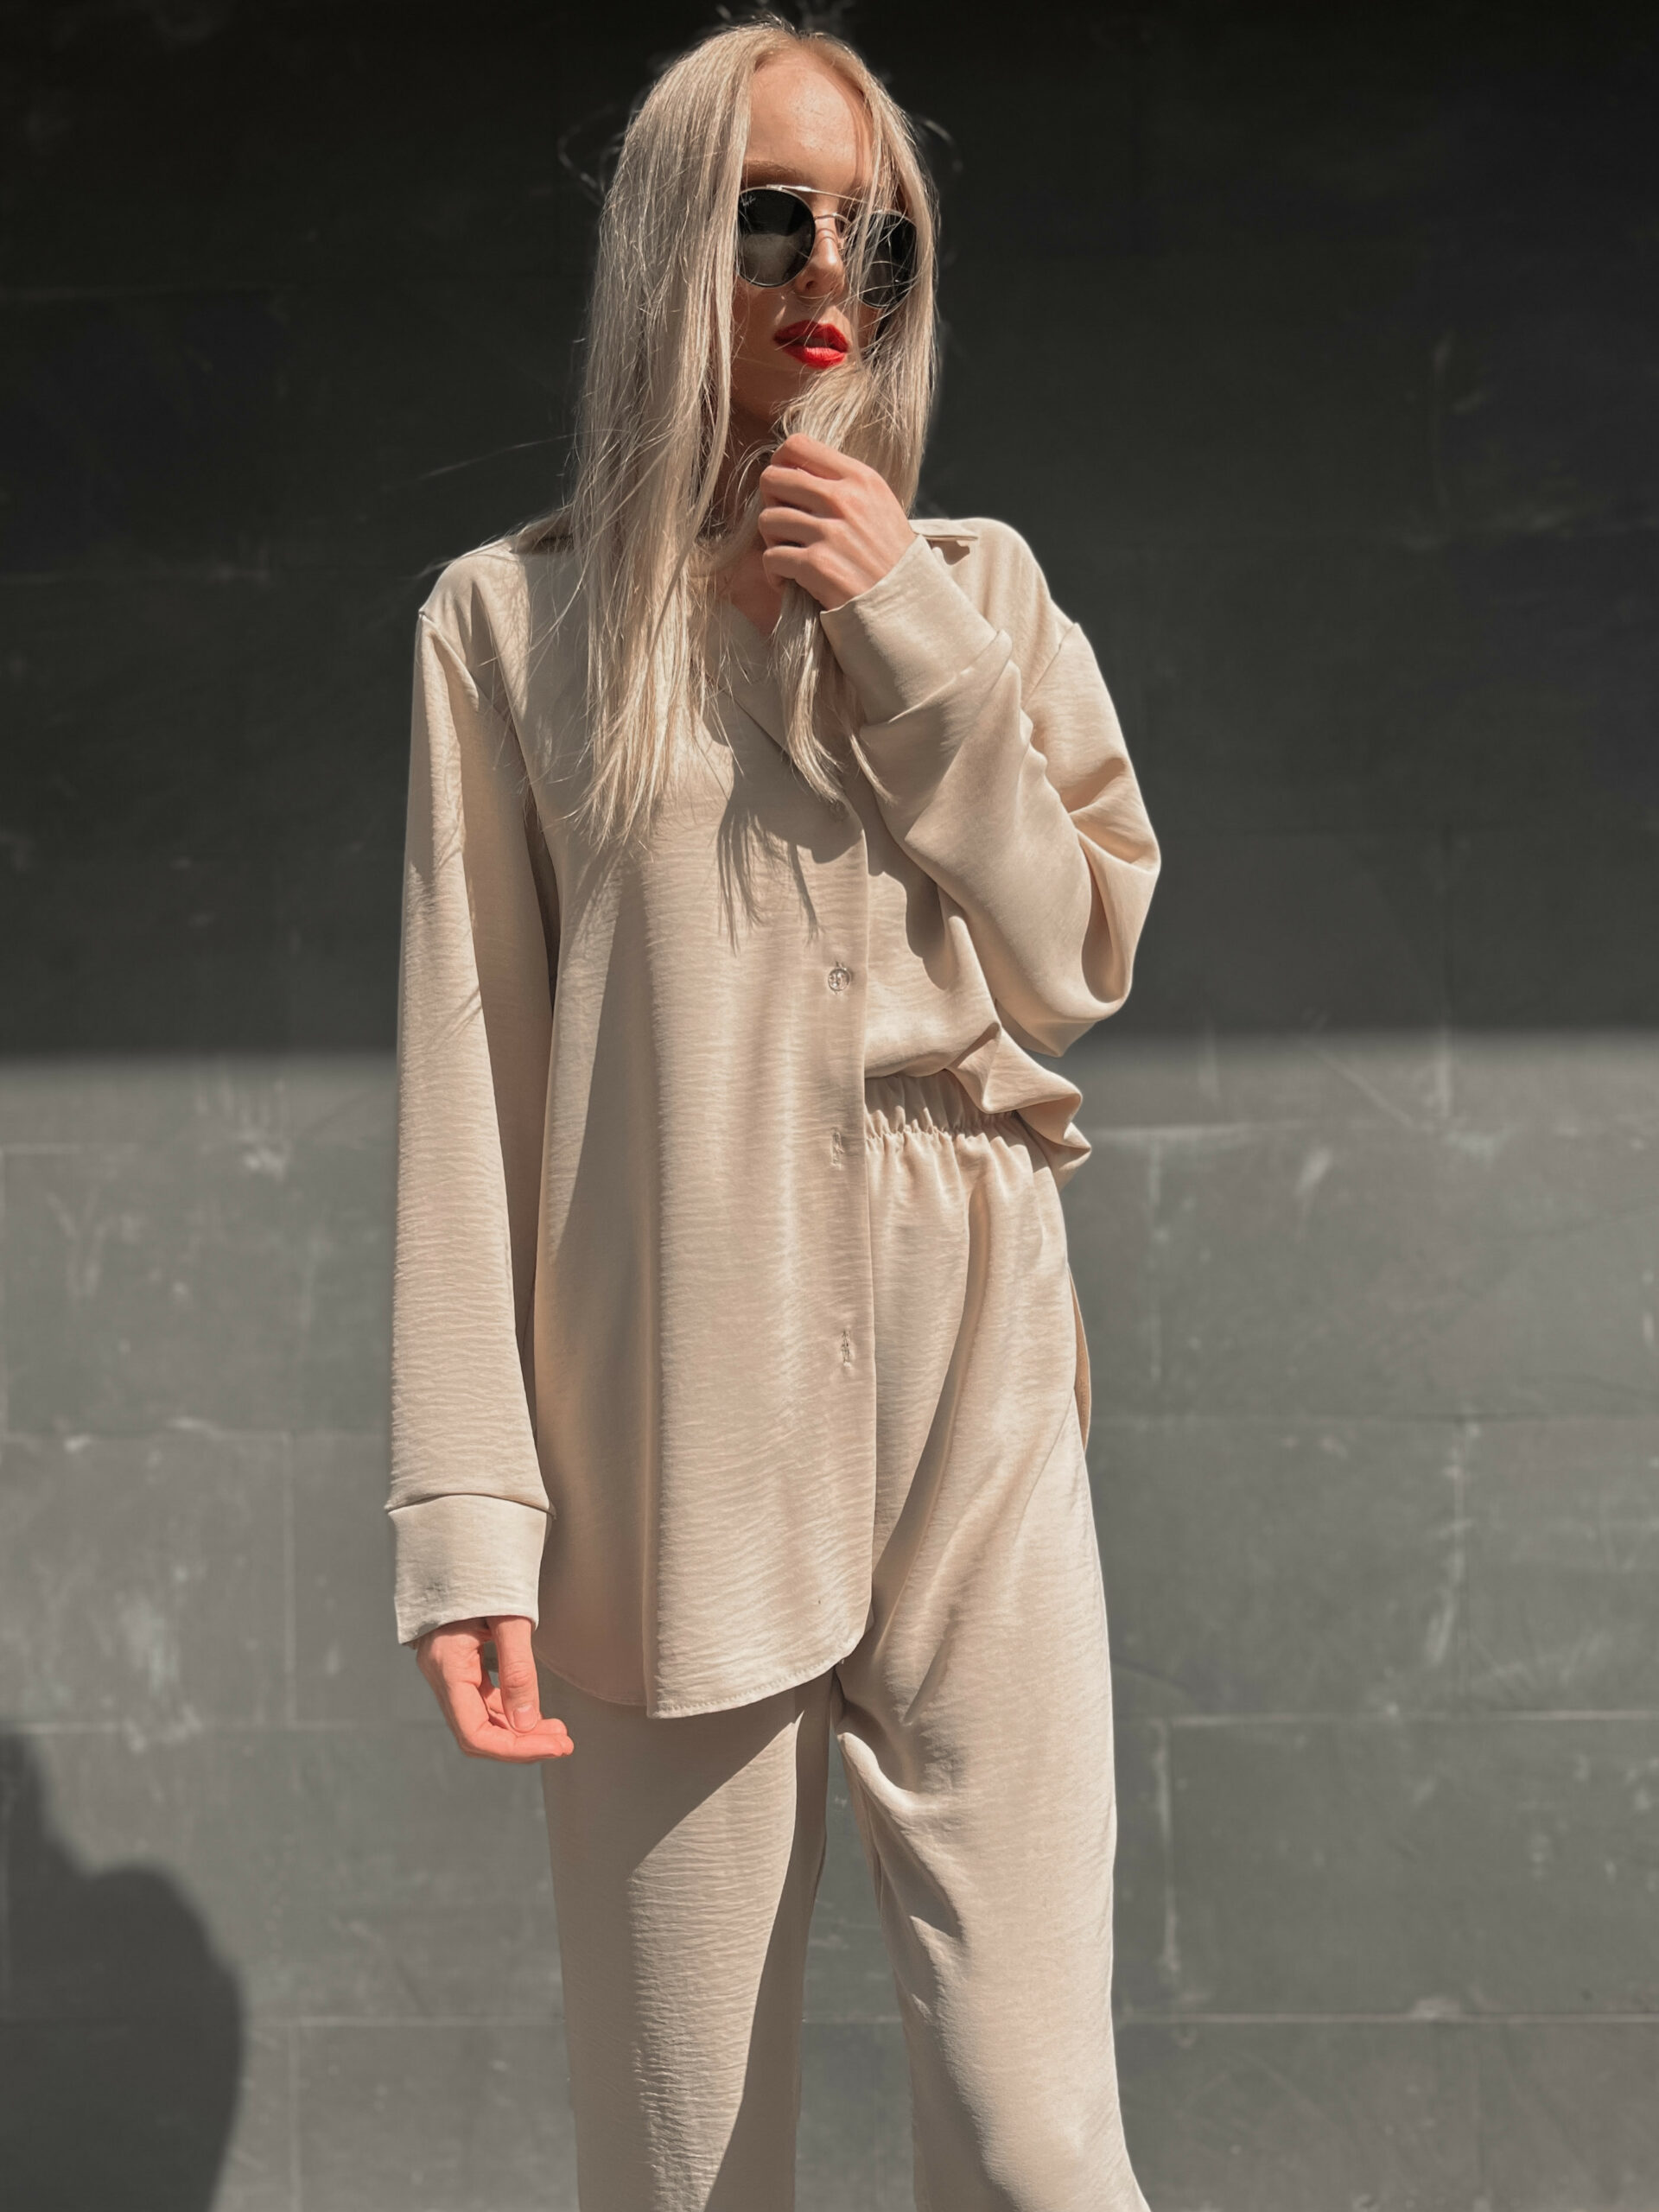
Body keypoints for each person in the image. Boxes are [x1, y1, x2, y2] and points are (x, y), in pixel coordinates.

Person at [385, 13, 1161, 2209]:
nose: (834, 271)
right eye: (775, 218)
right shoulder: (509, 624)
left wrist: (903, 626)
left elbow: (1081, 951)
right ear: (667, 240)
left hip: (976, 1349)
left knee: (1037, 2135)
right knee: (687, 2159)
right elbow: (472, 1085)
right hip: (667, 1388)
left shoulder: (981, 591)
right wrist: (469, 1520)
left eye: (882, 238)